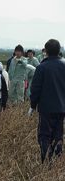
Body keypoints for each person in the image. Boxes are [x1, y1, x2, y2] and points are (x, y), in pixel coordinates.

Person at [29, 39, 65, 167]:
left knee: (45, 136)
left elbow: (35, 89)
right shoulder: (63, 66)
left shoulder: (41, 67)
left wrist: (32, 105)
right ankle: (57, 163)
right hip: (61, 109)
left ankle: (47, 165)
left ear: (46, 51)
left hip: (46, 109)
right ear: (59, 50)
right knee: (58, 135)